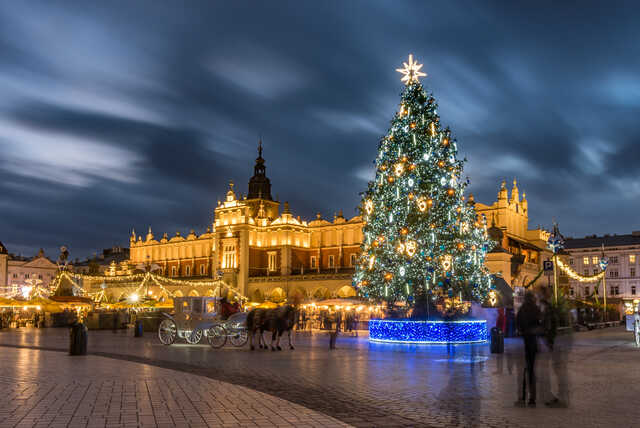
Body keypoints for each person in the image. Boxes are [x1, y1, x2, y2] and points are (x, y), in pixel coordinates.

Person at [516, 291, 542, 407]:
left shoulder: (522, 309)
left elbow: (518, 324)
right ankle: (532, 398)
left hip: (526, 342)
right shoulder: (536, 308)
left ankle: (523, 397)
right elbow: (540, 323)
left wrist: (522, 331)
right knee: (531, 370)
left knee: (525, 370)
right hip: (533, 341)